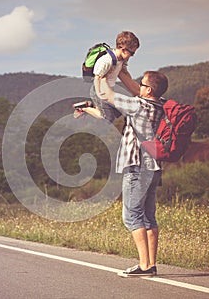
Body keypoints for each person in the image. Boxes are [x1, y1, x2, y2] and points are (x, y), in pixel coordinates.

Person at [100, 71, 168, 276]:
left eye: (142, 84)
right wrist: (122, 69)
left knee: (131, 216)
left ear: (148, 90)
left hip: (137, 166)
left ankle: (144, 266)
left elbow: (105, 94)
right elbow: (134, 88)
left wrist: (102, 72)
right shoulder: (160, 104)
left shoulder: (138, 105)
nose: (139, 86)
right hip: (153, 166)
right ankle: (151, 264)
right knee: (148, 216)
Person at [74, 31, 140, 121]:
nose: (132, 56)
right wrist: (98, 93)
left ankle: (90, 105)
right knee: (107, 118)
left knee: (121, 110)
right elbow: (97, 77)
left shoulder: (121, 60)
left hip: (109, 89)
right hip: (99, 90)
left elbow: (125, 72)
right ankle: (84, 108)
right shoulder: (107, 60)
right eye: (132, 53)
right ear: (123, 49)